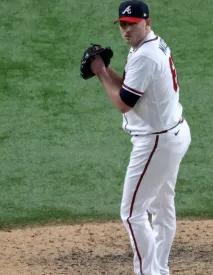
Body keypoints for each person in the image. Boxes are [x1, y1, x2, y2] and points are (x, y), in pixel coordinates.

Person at [89, 1, 191, 274]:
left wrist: (100, 72)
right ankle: (160, 268)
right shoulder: (151, 45)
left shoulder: (145, 55)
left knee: (132, 213)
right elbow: (132, 87)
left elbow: (124, 103)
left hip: (157, 142)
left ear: (147, 22)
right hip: (173, 133)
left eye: (132, 25)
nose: (126, 30)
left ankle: (149, 272)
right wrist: (107, 69)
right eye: (122, 24)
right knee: (161, 206)